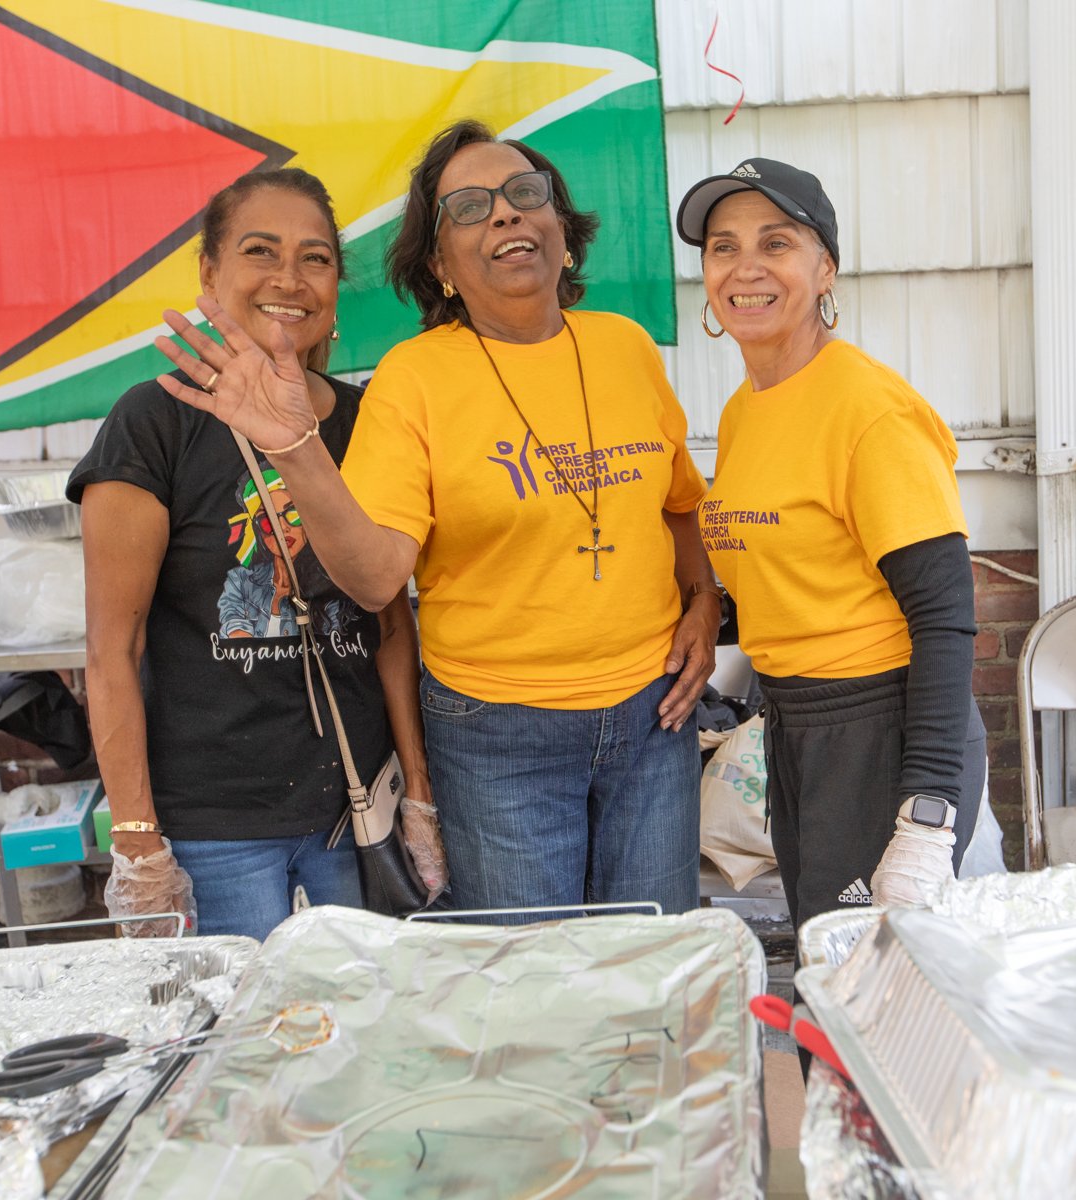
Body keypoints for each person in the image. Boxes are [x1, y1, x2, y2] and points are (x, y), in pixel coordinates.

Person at [149, 121, 718, 921]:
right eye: (472, 208)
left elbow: (680, 505)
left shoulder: (627, 348)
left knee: (654, 975)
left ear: (562, 229)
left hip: (654, 719)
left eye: (527, 195)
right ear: (439, 265)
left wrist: (704, 601)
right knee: (532, 987)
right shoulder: (413, 380)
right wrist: (295, 449)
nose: (509, 216)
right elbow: (378, 576)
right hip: (500, 737)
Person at [68, 167, 443, 941]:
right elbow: (112, 649)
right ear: (210, 274)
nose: (289, 279)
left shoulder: (371, 419)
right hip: (217, 828)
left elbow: (393, 626)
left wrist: (418, 793)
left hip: (355, 812)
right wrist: (137, 843)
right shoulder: (154, 422)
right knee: (245, 1042)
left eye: (315, 258)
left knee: (359, 1034)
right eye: (260, 252)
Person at [675, 158, 989, 933]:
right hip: (796, 729)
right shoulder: (748, 409)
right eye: (723, 247)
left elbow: (945, 619)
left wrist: (926, 815)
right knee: (830, 974)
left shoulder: (869, 413)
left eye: (775, 243)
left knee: (874, 999)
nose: (745, 268)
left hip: (881, 733)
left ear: (825, 272)